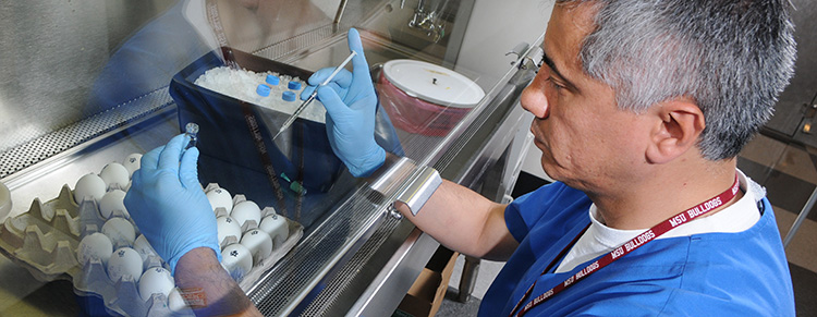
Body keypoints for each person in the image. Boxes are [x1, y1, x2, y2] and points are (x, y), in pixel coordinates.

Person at [125, 0, 798, 315]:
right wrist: (373, 158)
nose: (532, 99)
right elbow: (489, 230)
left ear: (672, 127)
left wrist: (197, 268)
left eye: (561, 83)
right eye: (541, 67)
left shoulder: (675, 306)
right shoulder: (653, 189)